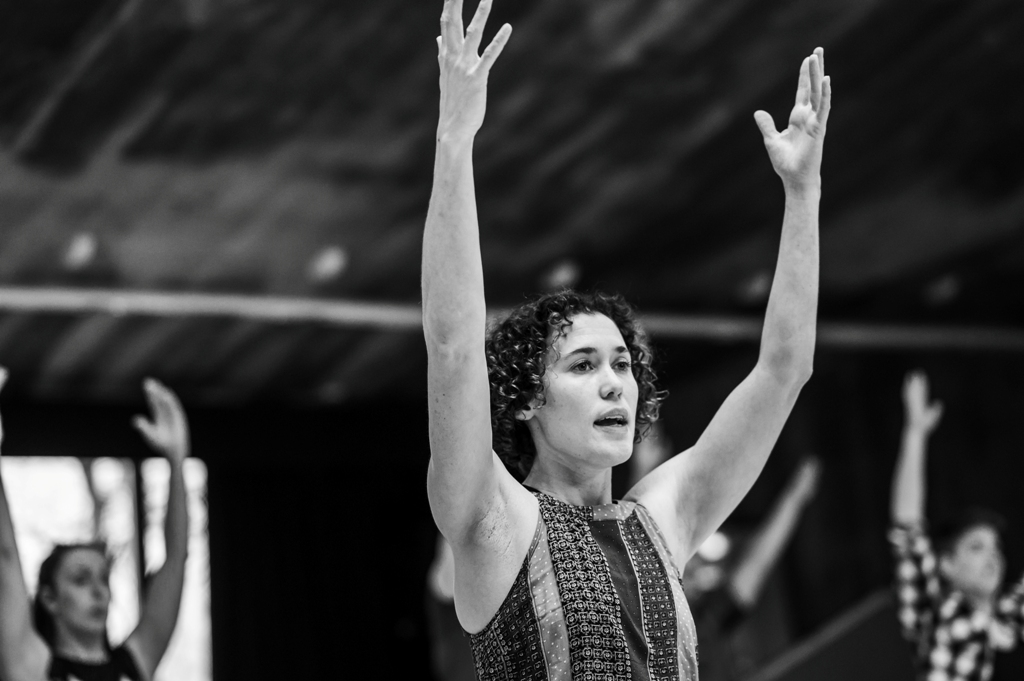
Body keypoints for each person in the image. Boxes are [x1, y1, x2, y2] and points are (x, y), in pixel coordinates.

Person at [422, 0, 829, 677]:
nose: (615, 380)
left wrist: (803, 194)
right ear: (527, 398)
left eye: (621, 362)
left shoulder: (664, 517)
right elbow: (454, 343)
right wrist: (455, 141)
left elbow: (784, 368)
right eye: (583, 364)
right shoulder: (490, 515)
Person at [0, 368, 191, 681]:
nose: (99, 592)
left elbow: (176, 560)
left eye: (104, 579)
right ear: (50, 599)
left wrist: (178, 459)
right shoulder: (34, 667)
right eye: (80, 580)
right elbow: (5, 557)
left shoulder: (136, 661)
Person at [889, 371, 1024, 681]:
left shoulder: (1007, 611)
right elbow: (907, 530)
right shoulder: (931, 612)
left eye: (996, 548)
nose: (993, 557)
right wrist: (914, 434)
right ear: (947, 564)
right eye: (977, 547)